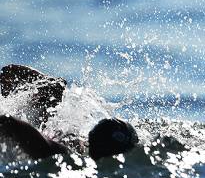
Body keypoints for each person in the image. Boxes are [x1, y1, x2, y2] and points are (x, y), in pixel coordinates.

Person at [1, 64, 139, 162]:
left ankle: (51, 89)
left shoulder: (62, 152)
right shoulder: (62, 155)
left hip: (42, 134)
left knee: (53, 92)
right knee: (53, 91)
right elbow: (8, 122)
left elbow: (9, 122)